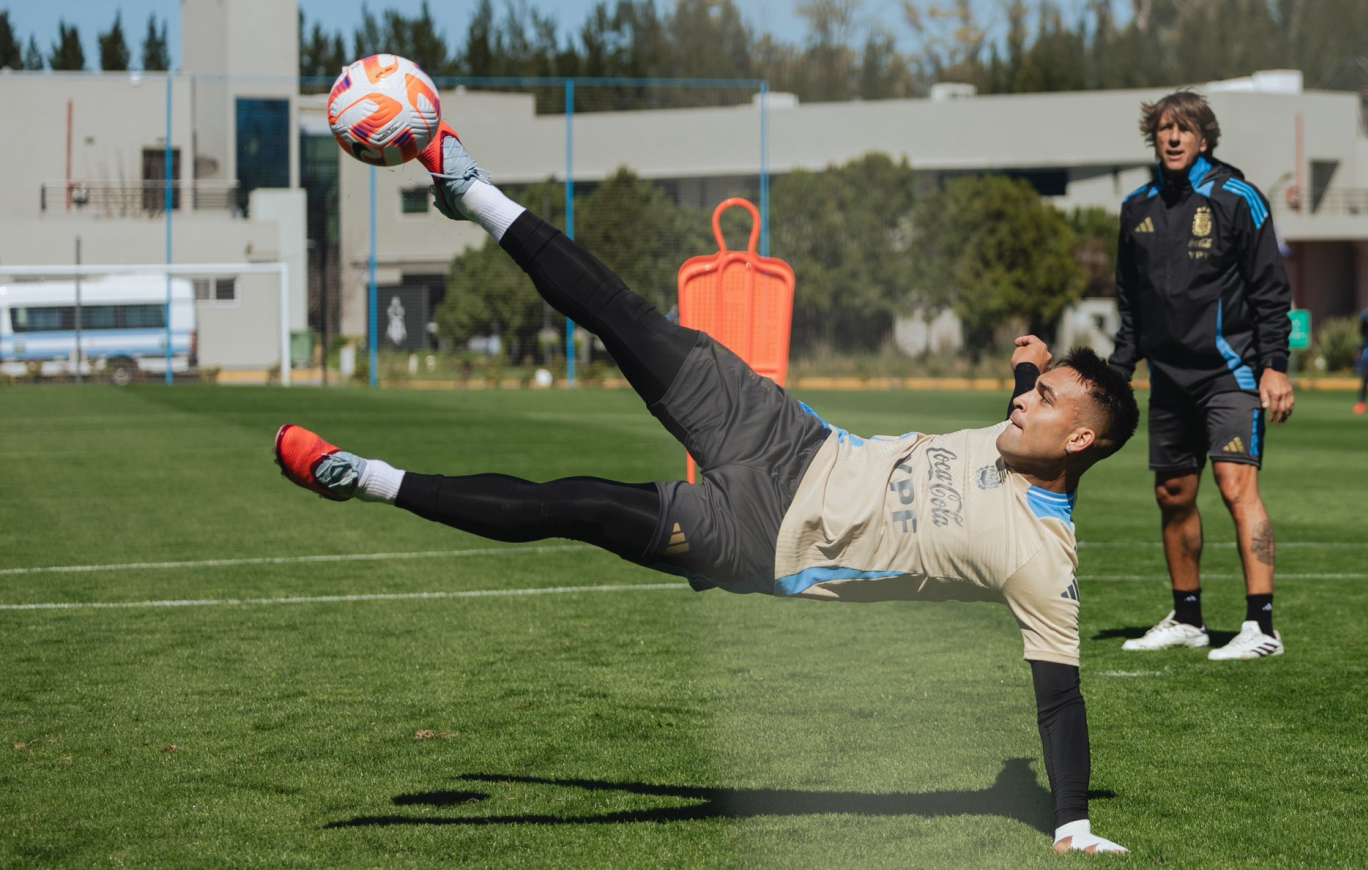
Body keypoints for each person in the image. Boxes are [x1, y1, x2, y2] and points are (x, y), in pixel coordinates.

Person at [274, 122, 1139, 854]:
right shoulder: (1019, 426)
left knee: (579, 505)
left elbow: (1058, 697)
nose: (1028, 400)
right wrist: (1031, 363)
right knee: (630, 320)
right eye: (1033, 389)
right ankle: (474, 191)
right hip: (785, 433)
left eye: (1047, 399)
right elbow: (1019, 409)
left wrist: (1069, 822)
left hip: (760, 538)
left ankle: (367, 480)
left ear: (1083, 439)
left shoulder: (1042, 559)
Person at [1109, 90, 1293, 661]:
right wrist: (1117, 372)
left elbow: (1270, 291)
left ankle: (1260, 626)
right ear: (1153, 136)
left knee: (1237, 487)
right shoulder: (1136, 207)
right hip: (1168, 380)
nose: (1173, 137)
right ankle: (1187, 616)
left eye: (1184, 129)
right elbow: (1130, 303)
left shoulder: (1239, 198)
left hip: (1230, 372)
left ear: (1204, 138)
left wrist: (1274, 367)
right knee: (1173, 494)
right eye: (1164, 128)